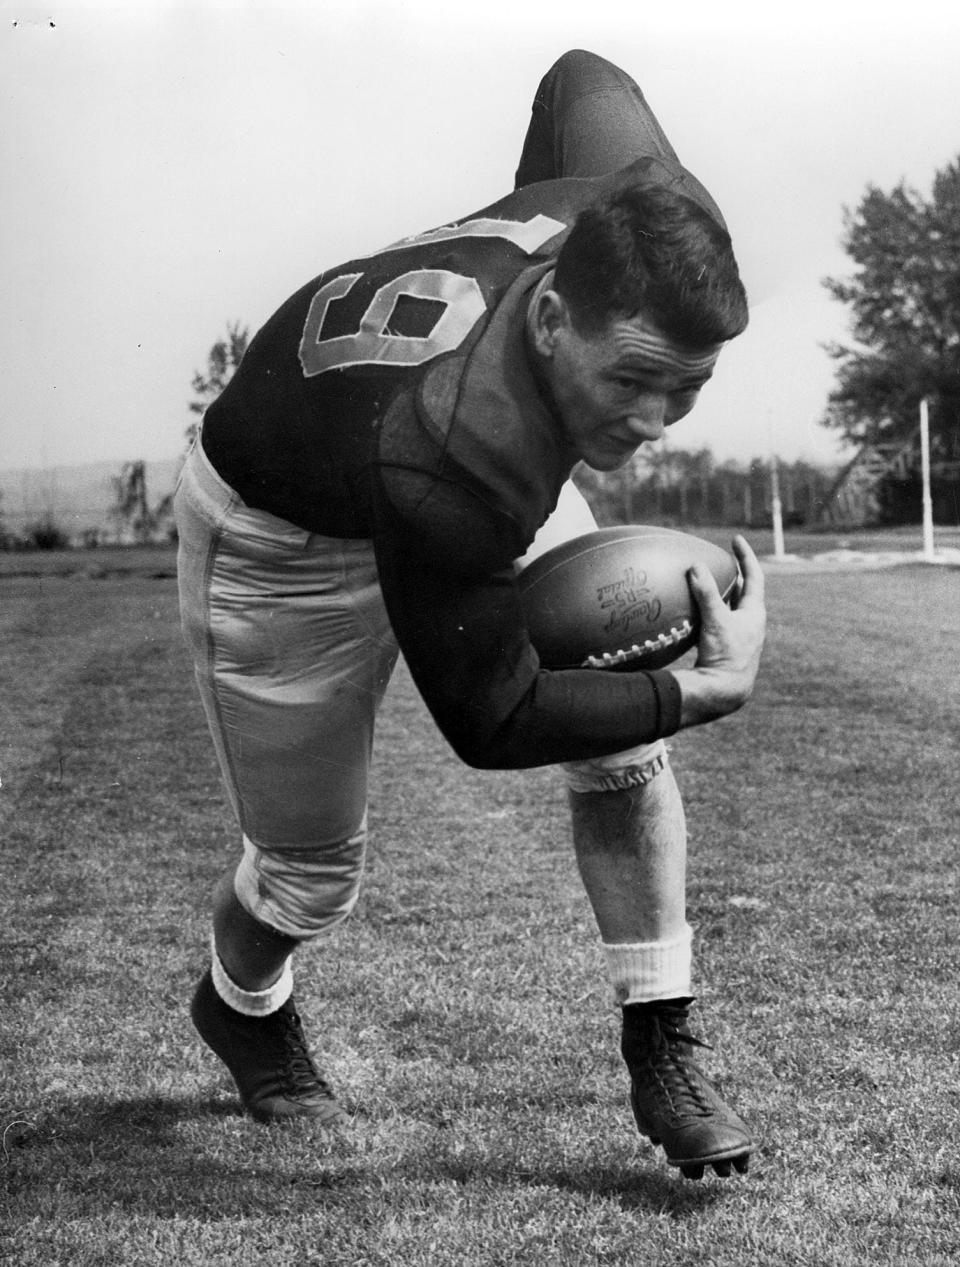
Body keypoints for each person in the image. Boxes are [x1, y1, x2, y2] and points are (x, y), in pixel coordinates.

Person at [174, 49, 766, 1181]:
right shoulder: (458, 450)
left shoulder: (629, 211)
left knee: (623, 748)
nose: (657, 421)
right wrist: (704, 689)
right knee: (309, 874)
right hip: (281, 540)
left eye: (687, 388)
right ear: (548, 318)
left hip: (444, 455)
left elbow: (579, 75)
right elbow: (492, 719)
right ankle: (241, 1003)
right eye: (635, 377)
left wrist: (568, 214)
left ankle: (664, 1035)